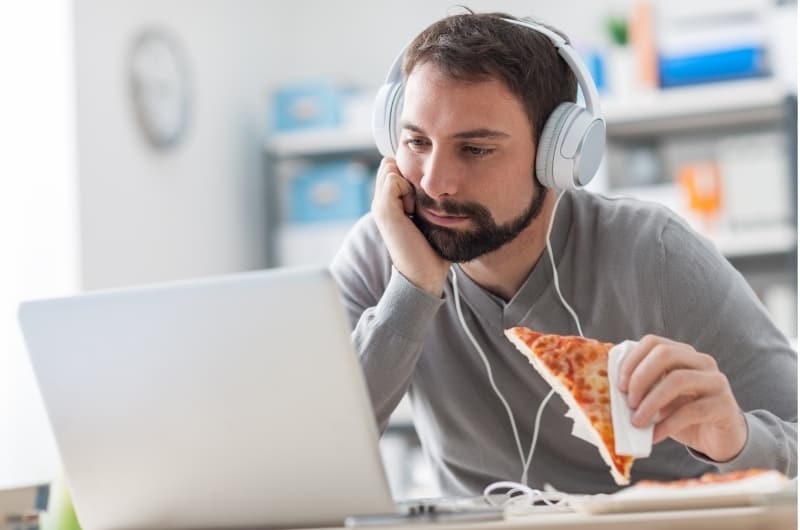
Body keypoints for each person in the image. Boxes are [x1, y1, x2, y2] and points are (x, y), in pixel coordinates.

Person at [330, 11, 797, 495]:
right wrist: (411, 290)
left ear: (558, 155)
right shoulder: (383, 249)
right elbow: (317, 456)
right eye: (416, 141)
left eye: (475, 149)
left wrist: (735, 439)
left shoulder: (655, 252)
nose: (433, 182)